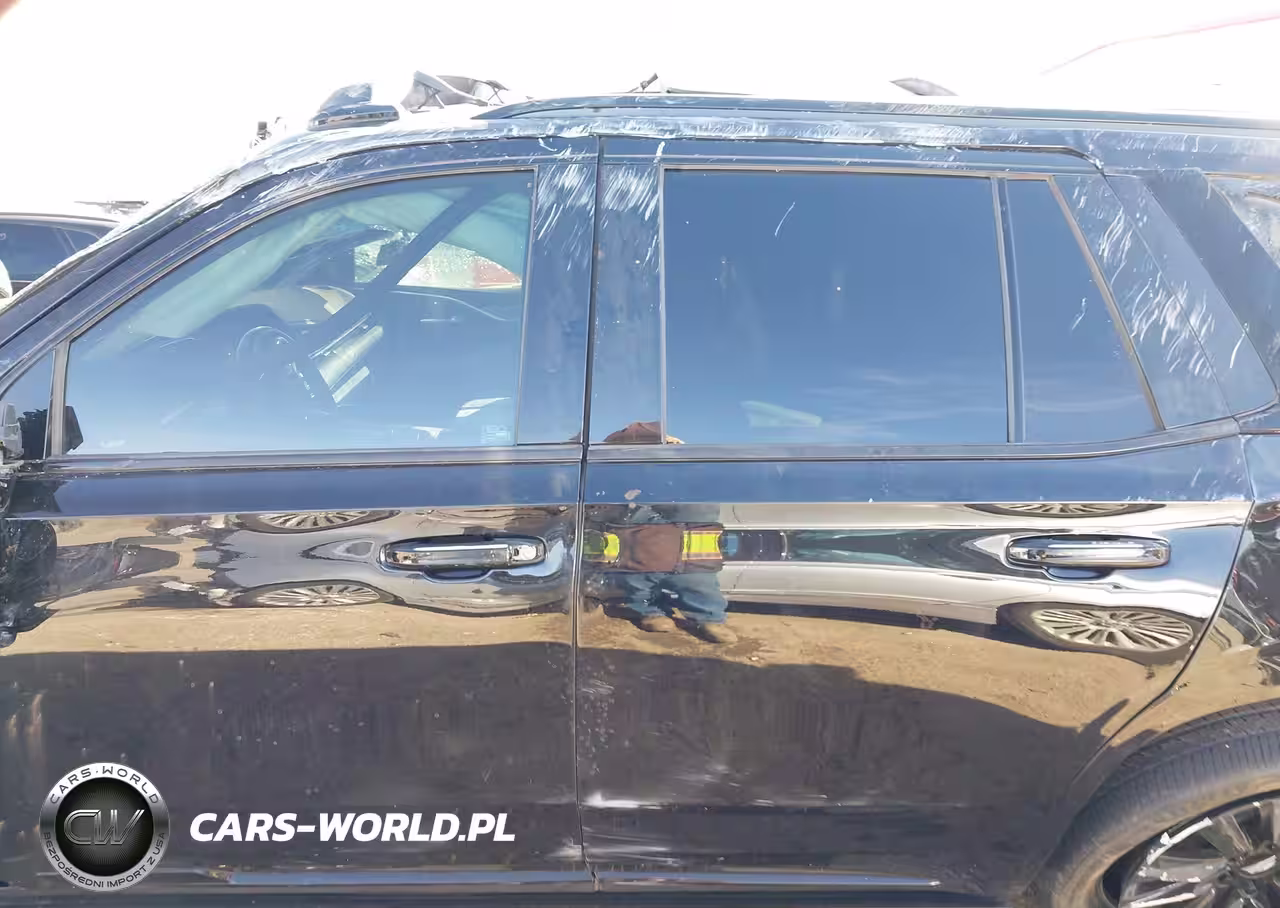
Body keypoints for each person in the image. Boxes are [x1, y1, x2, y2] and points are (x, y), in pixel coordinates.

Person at [584, 422, 735, 643]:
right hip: (638, 560)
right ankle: (651, 612)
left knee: (699, 586)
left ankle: (709, 617)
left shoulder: (690, 482)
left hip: (692, 563)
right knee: (638, 586)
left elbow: (706, 497)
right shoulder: (620, 489)